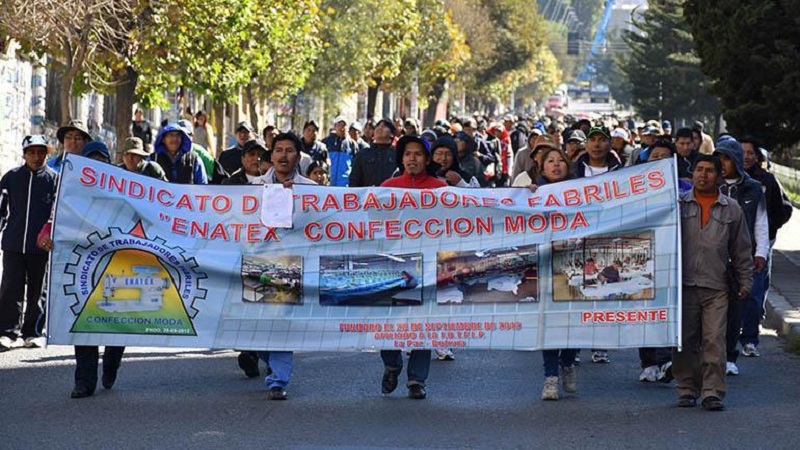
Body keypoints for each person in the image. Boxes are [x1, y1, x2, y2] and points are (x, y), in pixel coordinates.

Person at [673, 155, 753, 411]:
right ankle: (686, 388)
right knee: (684, 340)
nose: (703, 175)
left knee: (714, 341)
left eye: (709, 171)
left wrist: (745, 281)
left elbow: (742, 249)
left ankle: (712, 392)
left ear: (719, 176)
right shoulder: (678, 205)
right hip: (682, 285)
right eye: (699, 170)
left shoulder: (732, 209)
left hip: (717, 286)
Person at [380, 134, 447, 400]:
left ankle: (417, 379)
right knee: (388, 320)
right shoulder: (388, 187)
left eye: (418, 154)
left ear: (427, 159)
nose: (412, 158)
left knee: (424, 321)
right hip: (395, 264)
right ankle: (392, 362)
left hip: (430, 264)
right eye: (407, 153)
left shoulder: (441, 189)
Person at [257, 132, 315, 400]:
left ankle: (278, 380)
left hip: (292, 263)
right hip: (256, 262)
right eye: (278, 150)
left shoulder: (312, 190)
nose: (283, 155)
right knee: (253, 327)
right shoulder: (254, 188)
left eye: (289, 150)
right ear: (271, 155)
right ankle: (267, 358)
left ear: (298, 156)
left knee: (281, 323)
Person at [67, 142, 127, 398]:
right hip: (85, 264)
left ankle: (112, 363)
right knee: (86, 321)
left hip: (118, 264)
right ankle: (84, 382)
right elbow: (55, 219)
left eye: (101, 160)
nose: (97, 165)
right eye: (91, 160)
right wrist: (46, 233)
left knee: (117, 322)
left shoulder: (124, 191)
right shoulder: (70, 190)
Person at [714, 138, 768, 375]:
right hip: (712, 257)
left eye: (726, 158)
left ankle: (728, 357)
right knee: (712, 310)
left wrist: (761, 253)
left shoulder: (753, 188)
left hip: (740, 258)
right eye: (718, 159)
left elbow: (761, 223)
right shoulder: (709, 184)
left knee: (736, 310)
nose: (721, 164)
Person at [0, 136, 58, 352]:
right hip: (13, 244)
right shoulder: (11, 178)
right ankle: (7, 332)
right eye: (31, 152)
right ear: (24, 154)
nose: (36, 156)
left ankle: (33, 332)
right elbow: (2, 208)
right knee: (10, 288)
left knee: (38, 291)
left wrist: (52, 235)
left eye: (41, 152)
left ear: (47, 154)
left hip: (41, 247)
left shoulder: (54, 180)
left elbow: (59, 214)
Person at [531, 146, 579, 400]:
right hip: (545, 266)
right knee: (548, 324)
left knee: (573, 322)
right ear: (542, 167)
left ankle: (568, 363)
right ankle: (550, 377)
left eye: (561, 160)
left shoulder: (581, 191)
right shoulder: (531, 193)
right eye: (550, 161)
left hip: (573, 266)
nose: (556, 164)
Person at [348, 119, 397, 187]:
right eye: (378, 126)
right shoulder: (363, 154)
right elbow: (354, 180)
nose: (380, 128)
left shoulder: (398, 154)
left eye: (384, 126)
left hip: (391, 196)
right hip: (368, 196)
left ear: (392, 134)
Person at [321, 116, 359, 186]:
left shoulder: (353, 144)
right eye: (339, 125)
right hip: (328, 184)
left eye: (344, 125)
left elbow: (355, 166)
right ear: (335, 126)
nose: (341, 128)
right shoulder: (326, 142)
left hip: (345, 185)